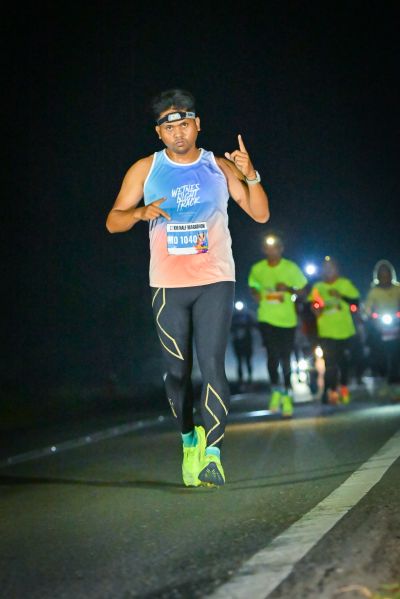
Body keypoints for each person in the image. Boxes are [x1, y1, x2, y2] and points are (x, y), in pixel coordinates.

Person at [106, 89, 270, 487]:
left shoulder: (218, 166)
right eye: (169, 127)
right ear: (158, 133)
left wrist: (250, 175)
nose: (177, 133)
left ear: (197, 125)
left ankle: (213, 454)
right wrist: (140, 212)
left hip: (215, 279)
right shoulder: (145, 169)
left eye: (184, 124)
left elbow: (260, 214)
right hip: (168, 284)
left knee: (212, 365)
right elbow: (113, 221)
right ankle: (188, 439)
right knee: (177, 373)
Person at [248, 234, 308, 417]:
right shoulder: (258, 269)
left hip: (287, 320)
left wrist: (289, 289)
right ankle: (276, 390)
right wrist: (255, 293)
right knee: (272, 355)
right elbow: (253, 285)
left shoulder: (290, 267)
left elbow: (304, 291)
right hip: (266, 318)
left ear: (281, 249)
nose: (272, 251)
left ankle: (287, 394)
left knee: (285, 357)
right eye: (268, 248)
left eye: (275, 247)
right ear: (264, 250)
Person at [309, 257, 360, 405]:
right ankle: (331, 391)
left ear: (337, 269)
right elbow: (313, 305)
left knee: (343, 361)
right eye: (325, 267)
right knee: (330, 362)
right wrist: (316, 309)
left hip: (345, 330)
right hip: (326, 331)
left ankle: (343, 387)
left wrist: (341, 296)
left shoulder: (345, 284)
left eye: (331, 267)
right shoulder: (318, 287)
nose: (328, 270)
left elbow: (355, 302)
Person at [363, 260, 400, 390]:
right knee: (376, 345)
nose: (385, 277)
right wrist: (370, 315)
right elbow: (367, 308)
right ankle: (379, 369)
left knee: (396, 350)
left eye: (387, 274)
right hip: (380, 324)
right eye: (382, 275)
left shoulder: (397, 289)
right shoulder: (374, 292)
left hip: (396, 322)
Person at [230, 302, 256, 388]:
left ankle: (249, 379)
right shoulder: (233, 317)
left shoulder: (248, 316)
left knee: (248, 361)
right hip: (237, 343)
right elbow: (229, 328)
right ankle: (240, 381)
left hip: (247, 342)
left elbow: (254, 325)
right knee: (239, 362)